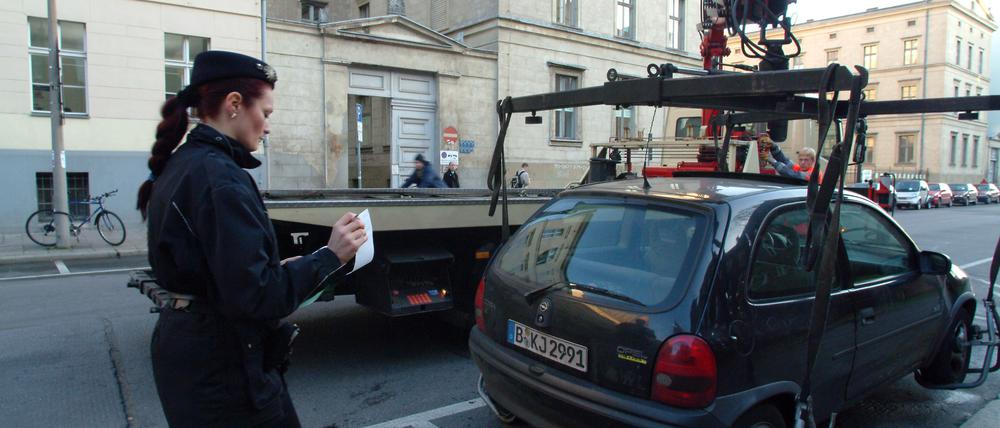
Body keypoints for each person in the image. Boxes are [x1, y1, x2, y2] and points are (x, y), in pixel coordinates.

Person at [136, 51, 367, 427]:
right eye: (267, 113)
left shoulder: (183, 164)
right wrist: (330, 255)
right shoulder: (221, 178)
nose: (268, 126)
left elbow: (218, 274)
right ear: (234, 104)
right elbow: (257, 298)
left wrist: (277, 269)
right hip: (224, 370)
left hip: (190, 358)